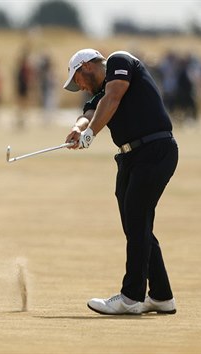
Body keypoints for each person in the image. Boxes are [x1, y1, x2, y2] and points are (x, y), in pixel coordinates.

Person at [62, 49, 178, 315]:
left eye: (77, 78)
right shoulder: (98, 95)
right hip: (129, 158)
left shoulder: (119, 62)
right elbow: (89, 113)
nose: (78, 85)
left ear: (87, 66)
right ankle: (161, 296)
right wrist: (80, 129)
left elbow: (114, 97)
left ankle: (131, 297)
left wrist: (91, 133)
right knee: (136, 224)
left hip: (155, 149)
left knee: (137, 219)